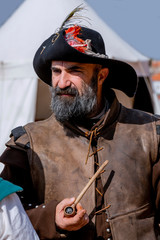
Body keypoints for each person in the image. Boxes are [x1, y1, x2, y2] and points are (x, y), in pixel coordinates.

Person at [1, 9, 160, 240]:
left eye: (74, 70)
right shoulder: (28, 144)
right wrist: (50, 218)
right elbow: (7, 217)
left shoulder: (150, 134)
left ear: (101, 75)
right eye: (56, 71)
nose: (61, 82)